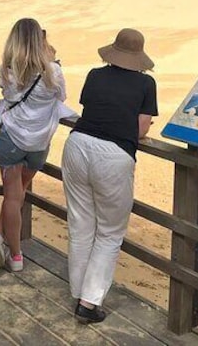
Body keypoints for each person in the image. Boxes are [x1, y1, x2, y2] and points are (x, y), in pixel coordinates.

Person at [61, 28, 157, 324]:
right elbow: (141, 128)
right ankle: (89, 303)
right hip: (113, 155)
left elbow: (89, 109)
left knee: (80, 224)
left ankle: (78, 292)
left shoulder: (95, 74)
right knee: (110, 232)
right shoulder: (146, 83)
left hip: (77, 145)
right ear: (139, 57)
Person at [0, 19, 70, 272]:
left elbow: (6, 93)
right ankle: (0, 232)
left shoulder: (7, 69)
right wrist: (51, 59)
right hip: (39, 141)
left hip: (11, 137)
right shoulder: (53, 71)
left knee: (13, 196)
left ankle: (16, 255)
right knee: (20, 190)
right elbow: (61, 97)